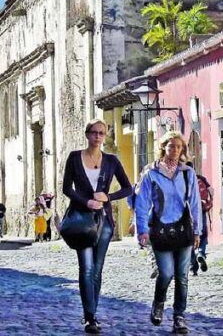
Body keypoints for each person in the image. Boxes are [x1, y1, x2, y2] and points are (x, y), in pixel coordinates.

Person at [62, 118, 132, 334]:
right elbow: (67, 188)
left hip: (104, 223)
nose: (98, 137)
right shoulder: (74, 158)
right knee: (86, 267)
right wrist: (86, 201)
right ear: (87, 134)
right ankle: (89, 317)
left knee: (97, 269)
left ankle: (93, 311)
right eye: (94, 132)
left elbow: (128, 188)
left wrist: (107, 197)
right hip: (81, 221)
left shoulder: (111, 161)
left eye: (102, 133)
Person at [135, 131, 202, 335]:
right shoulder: (151, 173)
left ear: (183, 150)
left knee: (182, 276)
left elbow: (195, 202)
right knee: (166, 273)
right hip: (160, 229)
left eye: (178, 147)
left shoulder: (187, 172)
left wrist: (198, 230)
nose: (174, 150)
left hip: (183, 229)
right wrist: (142, 230)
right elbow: (142, 202)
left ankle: (179, 317)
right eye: (171, 146)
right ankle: (158, 303)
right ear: (163, 147)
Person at [189, 162, 215, 276]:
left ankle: (192, 265)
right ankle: (201, 253)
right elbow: (211, 190)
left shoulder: (179, 179)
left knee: (187, 239)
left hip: (186, 214)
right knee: (203, 235)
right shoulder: (200, 178)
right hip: (201, 211)